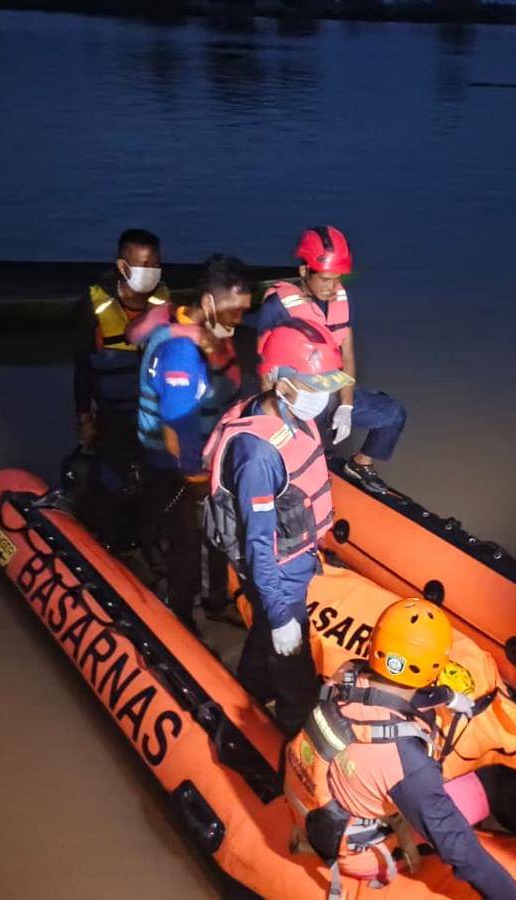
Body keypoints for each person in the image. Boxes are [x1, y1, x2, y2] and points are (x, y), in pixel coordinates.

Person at [284, 597, 516, 899]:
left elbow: (388, 690)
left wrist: (444, 696)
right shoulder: (406, 763)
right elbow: (462, 853)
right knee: (500, 783)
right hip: (362, 849)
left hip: (326, 800)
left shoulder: (347, 673)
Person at [202, 320, 351, 734]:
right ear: (282, 383)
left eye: (328, 382)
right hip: (277, 574)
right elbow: (258, 546)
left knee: (266, 640)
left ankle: (243, 689)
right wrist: (282, 612)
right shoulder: (258, 456)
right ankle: (289, 739)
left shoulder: (287, 412)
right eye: (314, 383)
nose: (323, 393)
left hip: (294, 561)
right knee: (295, 678)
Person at [136, 254, 252, 624]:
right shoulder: (182, 353)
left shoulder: (210, 336)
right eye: (234, 311)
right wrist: (197, 478)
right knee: (186, 542)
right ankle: (181, 616)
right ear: (208, 303)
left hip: (208, 455)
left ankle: (217, 599)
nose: (239, 319)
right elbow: (177, 425)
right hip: (175, 464)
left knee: (218, 532)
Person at [256, 225, 406, 495]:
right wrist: (274, 421)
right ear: (304, 271)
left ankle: (360, 464)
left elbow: (347, 353)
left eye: (337, 279)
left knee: (392, 415)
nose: (332, 286)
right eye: (325, 279)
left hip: (331, 393)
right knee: (307, 457)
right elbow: (265, 368)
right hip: (296, 398)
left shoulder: (340, 299)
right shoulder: (277, 306)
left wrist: (346, 407)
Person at [72, 228, 169, 543]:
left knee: (155, 481)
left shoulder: (164, 301)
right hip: (112, 414)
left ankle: (147, 543)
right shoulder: (93, 304)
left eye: (155, 264)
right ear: (123, 267)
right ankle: (105, 543)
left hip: (154, 415)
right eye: (143, 265)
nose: (150, 272)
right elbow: (82, 368)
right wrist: (84, 418)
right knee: (110, 480)